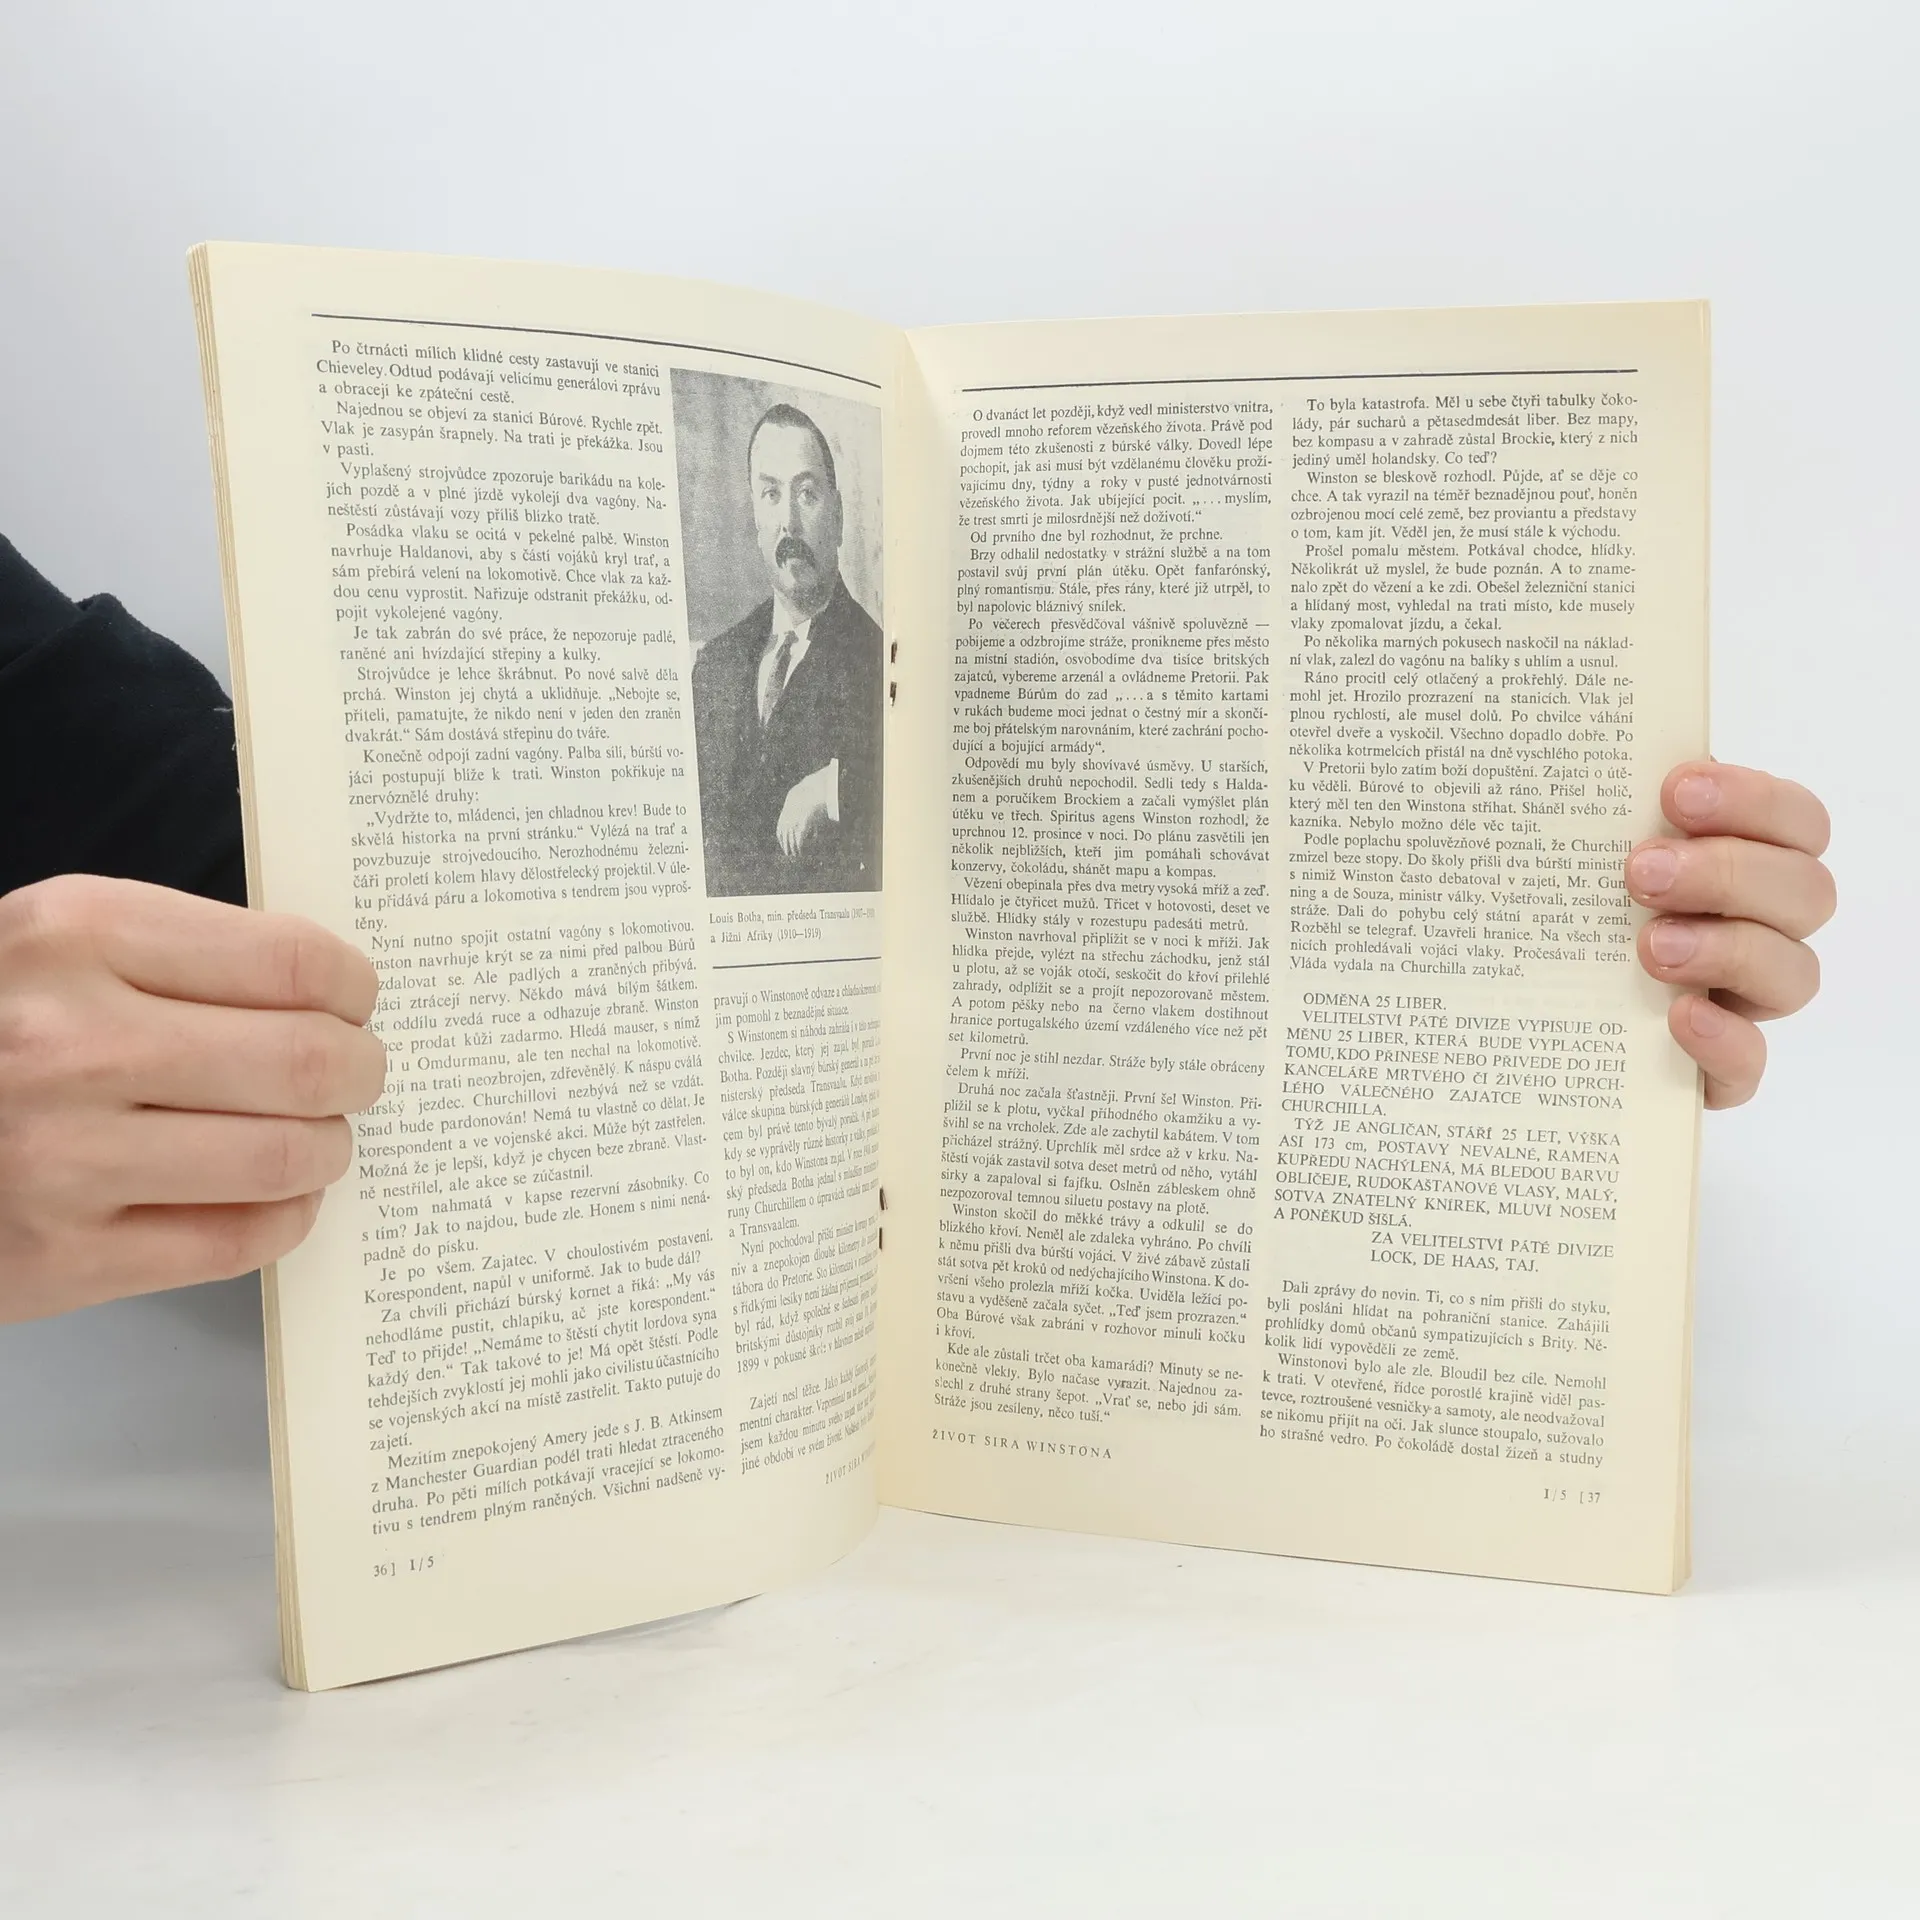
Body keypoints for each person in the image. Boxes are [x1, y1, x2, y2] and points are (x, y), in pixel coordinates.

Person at [0, 533, 1833, 1325]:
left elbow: (215, 876)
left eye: (817, 494)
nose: (793, 526)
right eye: (771, 496)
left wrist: (1505, 906)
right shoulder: (725, 664)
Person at [689, 404, 885, 896]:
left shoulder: (876, 662)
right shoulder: (714, 666)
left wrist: (835, 788)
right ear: (755, 517)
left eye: (806, 494)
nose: (789, 524)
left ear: (837, 517)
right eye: (771, 494)